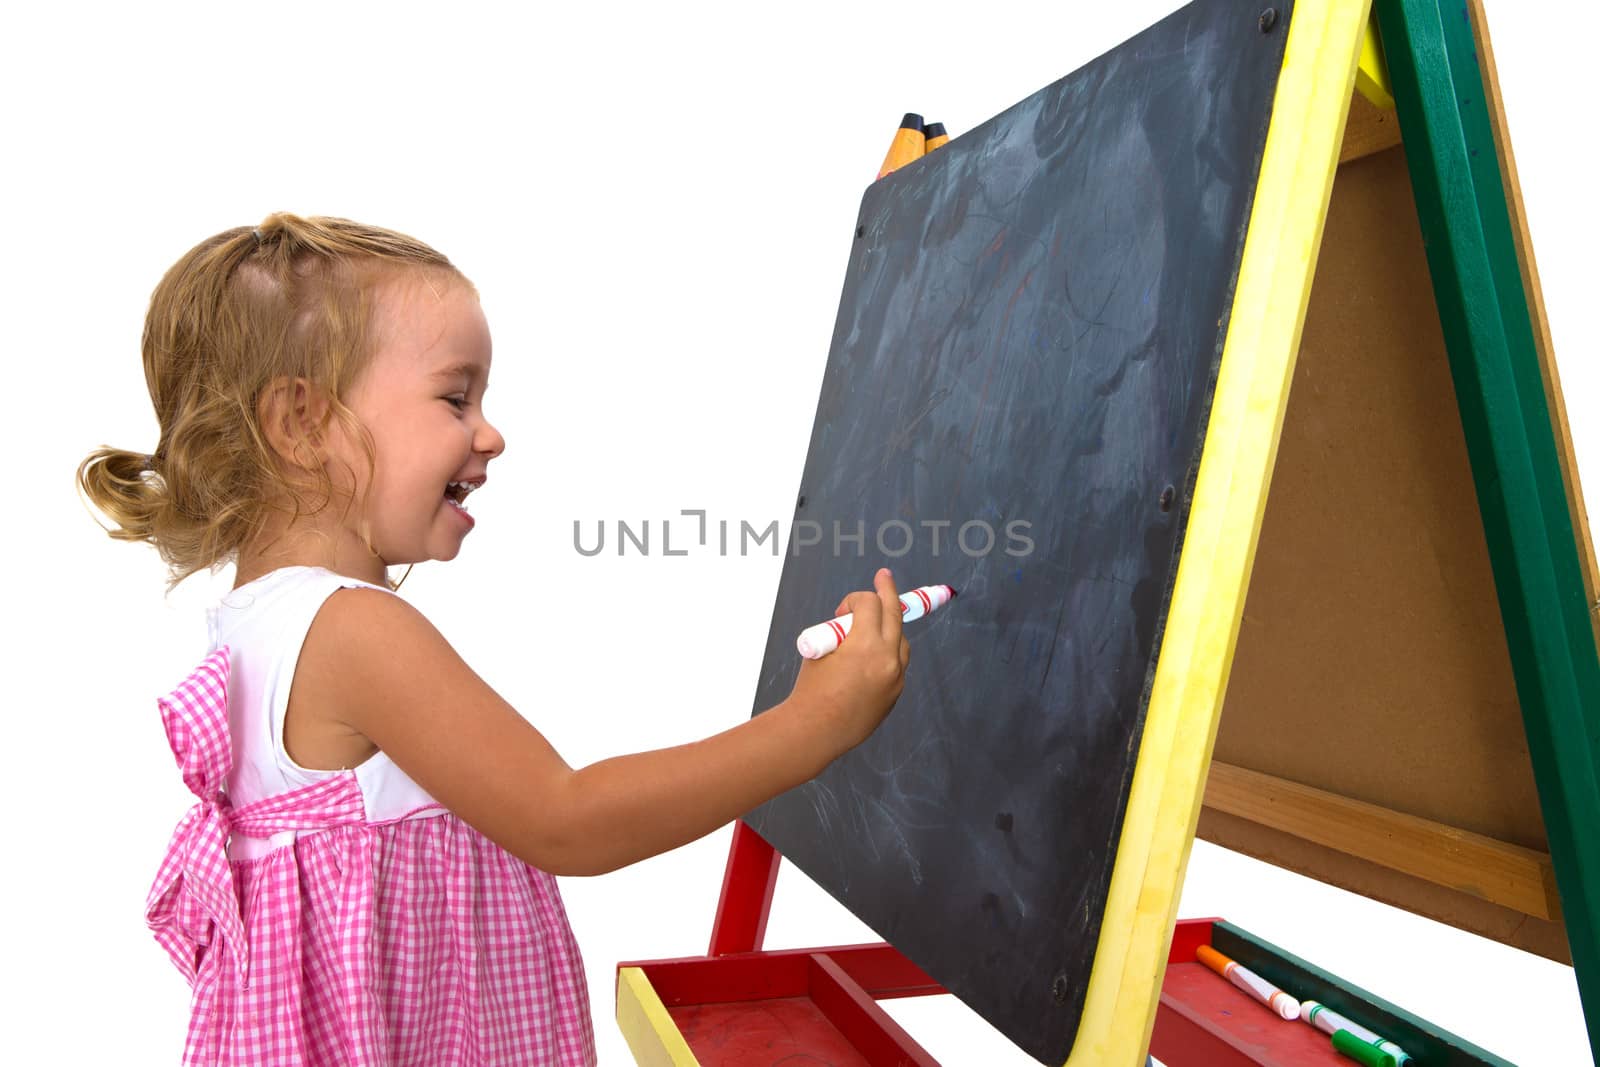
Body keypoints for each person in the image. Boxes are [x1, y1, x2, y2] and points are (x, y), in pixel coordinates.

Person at [77, 213, 912, 1066]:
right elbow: (567, 819)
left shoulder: (259, 619)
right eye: (454, 396)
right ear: (302, 424)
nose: (491, 433)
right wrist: (814, 725)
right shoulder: (353, 628)